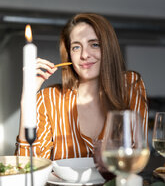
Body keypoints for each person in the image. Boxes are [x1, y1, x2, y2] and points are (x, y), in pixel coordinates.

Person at [16, 13, 148, 170]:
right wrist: (27, 99)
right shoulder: (48, 98)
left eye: (94, 44)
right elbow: (28, 169)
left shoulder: (130, 85)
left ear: (109, 48)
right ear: (69, 54)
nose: (85, 55)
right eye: (76, 47)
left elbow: (135, 157)